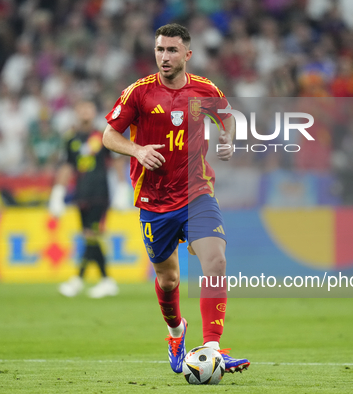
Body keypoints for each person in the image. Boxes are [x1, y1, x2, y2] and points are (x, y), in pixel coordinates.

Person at [102, 23, 250, 374]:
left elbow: (228, 120)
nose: (164, 57)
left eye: (171, 50)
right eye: (159, 50)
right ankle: (176, 332)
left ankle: (212, 348)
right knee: (168, 280)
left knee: (215, 262)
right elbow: (109, 135)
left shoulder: (204, 90)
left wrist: (228, 139)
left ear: (187, 54)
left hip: (197, 193)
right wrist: (136, 151)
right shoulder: (138, 93)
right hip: (154, 201)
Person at [49, 101, 119, 299]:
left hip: (100, 193)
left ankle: (78, 279)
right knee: (91, 237)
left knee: (91, 234)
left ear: (94, 111)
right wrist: (58, 192)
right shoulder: (71, 138)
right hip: (81, 193)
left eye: (89, 107)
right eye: (82, 107)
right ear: (76, 111)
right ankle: (107, 281)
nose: (85, 111)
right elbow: (67, 166)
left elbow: (115, 162)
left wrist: (122, 188)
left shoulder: (104, 135)